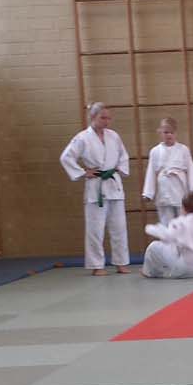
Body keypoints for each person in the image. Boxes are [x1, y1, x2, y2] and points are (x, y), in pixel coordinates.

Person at [60, 101, 131, 275]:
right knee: (95, 229)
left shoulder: (114, 136)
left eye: (109, 118)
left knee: (119, 228)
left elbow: (123, 156)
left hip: (114, 185)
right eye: (103, 118)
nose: (107, 121)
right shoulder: (82, 138)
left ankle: (121, 263)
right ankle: (97, 265)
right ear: (92, 117)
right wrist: (83, 172)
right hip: (96, 186)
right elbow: (66, 157)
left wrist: (119, 169)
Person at [142, 191, 193, 277]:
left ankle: (151, 273)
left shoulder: (182, 223)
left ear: (184, 207)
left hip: (183, 268)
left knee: (153, 247)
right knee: (175, 246)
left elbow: (167, 236)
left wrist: (150, 228)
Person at [141, 117, 193, 227]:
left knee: (183, 223)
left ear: (176, 133)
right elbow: (151, 173)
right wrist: (148, 193)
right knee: (167, 224)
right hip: (164, 191)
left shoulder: (183, 149)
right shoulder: (155, 151)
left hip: (180, 191)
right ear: (160, 133)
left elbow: (191, 170)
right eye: (166, 132)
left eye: (171, 132)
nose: (169, 135)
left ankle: (182, 238)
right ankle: (169, 238)